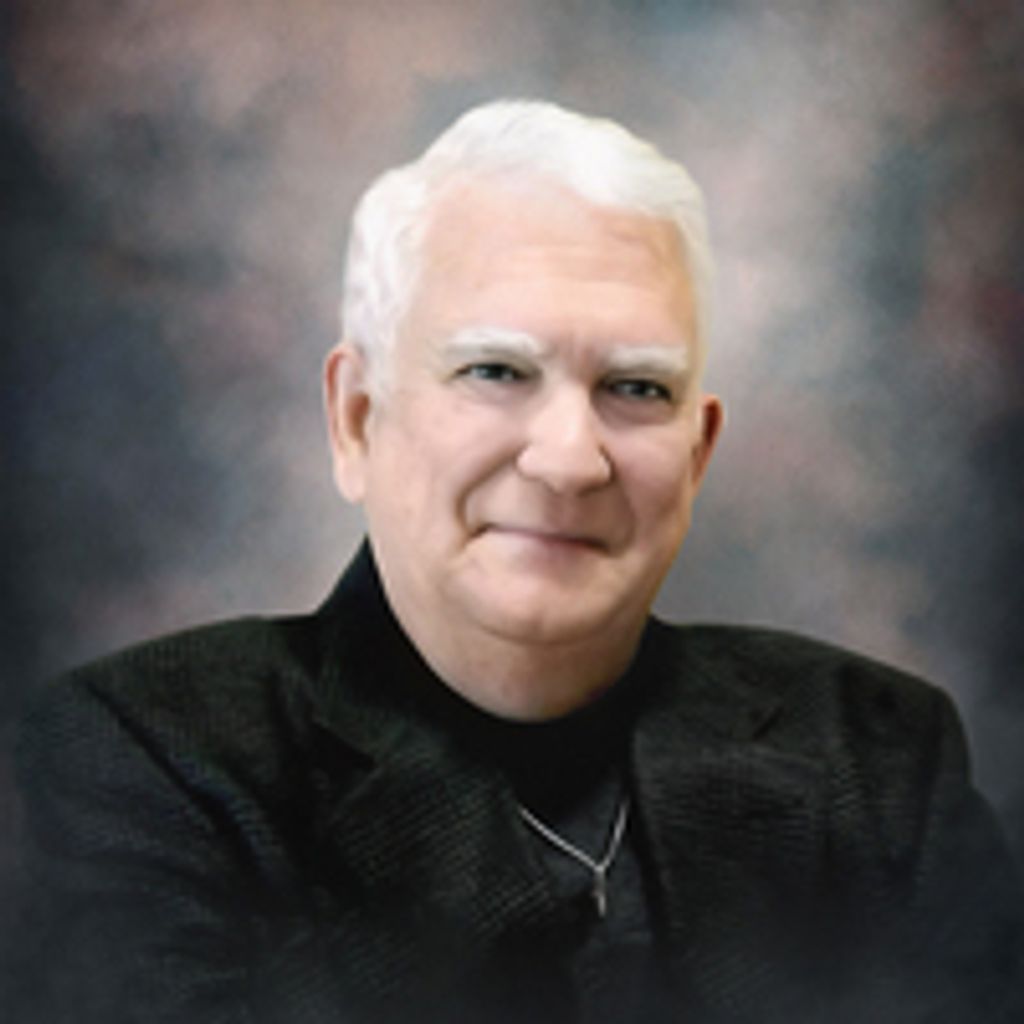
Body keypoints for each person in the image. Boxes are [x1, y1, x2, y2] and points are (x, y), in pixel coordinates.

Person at [14, 100, 1024, 1023]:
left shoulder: (875, 758)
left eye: (636, 388)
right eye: (494, 370)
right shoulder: (143, 761)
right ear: (357, 420)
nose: (569, 459)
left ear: (698, 452)